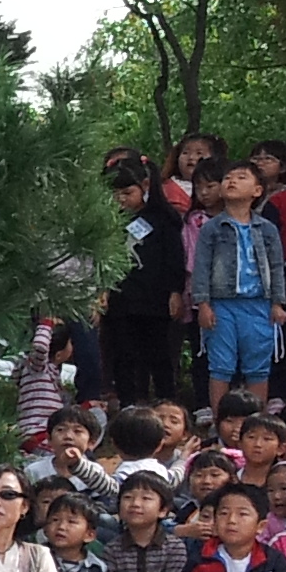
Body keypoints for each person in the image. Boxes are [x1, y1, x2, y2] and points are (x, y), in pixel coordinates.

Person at [189, 159, 286, 418]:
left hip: (258, 304)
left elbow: (276, 267)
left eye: (241, 177)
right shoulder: (211, 228)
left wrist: (277, 303)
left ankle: (257, 421)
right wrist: (203, 304)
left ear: (257, 191)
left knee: (258, 365)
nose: (232, 181)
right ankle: (221, 420)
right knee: (220, 365)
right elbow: (201, 266)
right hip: (222, 305)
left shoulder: (267, 229)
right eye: (228, 178)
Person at [99, 153, 188, 404]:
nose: (121, 199)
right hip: (120, 298)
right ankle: (127, 403)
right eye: (115, 194)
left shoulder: (164, 218)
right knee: (123, 353)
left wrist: (175, 291)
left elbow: (174, 257)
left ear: (145, 186)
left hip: (155, 298)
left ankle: (165, 401)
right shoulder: (108, 221)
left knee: (158, 353)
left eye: (127, 192)